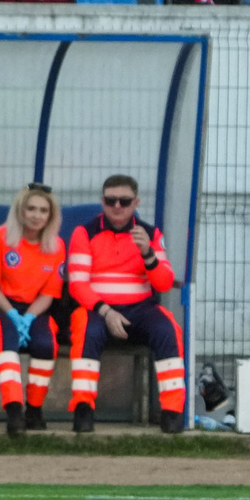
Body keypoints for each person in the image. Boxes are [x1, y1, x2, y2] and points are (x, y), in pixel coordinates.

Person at [65, 171, 183, 433]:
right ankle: (83, 410)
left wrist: (148, 254)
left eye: (125, 201)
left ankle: (173, 412)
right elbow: (77, 284)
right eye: (110, 200)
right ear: (102, 201)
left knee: (168, 328)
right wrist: (106, 312)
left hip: (140, 308)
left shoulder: (150, 234)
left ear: (136, 203)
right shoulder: (84, 233)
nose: (117, 206)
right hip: (97, 308)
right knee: (87, 329)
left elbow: (164, 283)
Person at [0, 180, 62, 434]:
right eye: (31, 209)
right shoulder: (0, 237)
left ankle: (34, 410)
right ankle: (14, 411)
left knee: (46, 343)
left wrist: (28, 318)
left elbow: (49, 294)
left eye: (43, 211)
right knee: (7, 335)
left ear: (50, 216)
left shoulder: (56, 247)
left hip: (34, 310)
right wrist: (12, 314)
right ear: (21, 211)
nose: (36, 215)